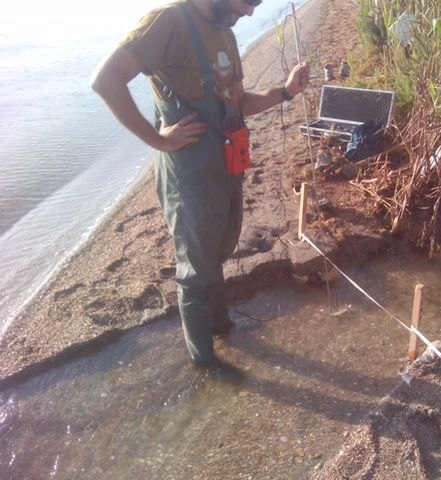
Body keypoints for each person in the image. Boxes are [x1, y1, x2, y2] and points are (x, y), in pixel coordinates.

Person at [91, 0, 309, 367]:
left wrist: (285, 92)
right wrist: (158, 140)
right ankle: (206, 364)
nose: (251, 13)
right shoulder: (168, 21)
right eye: (248, 3)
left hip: (224, 165)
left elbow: (238, 103)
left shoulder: (226, 30)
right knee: (194, 270)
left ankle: (222, 327)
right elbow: (105, 81)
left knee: (218, 253)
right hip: (189, 173)